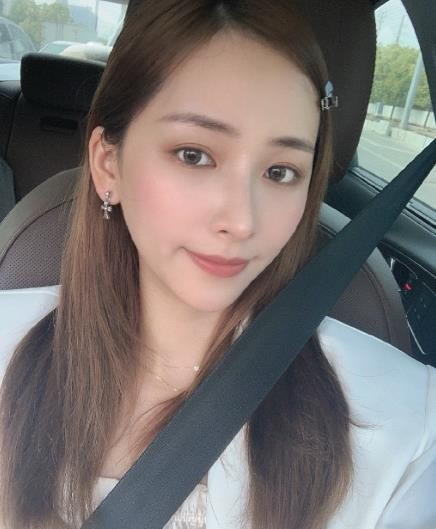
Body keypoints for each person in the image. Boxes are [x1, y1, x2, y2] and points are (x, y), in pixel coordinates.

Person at [0, 1, 435, 528]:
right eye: (194, 155)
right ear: (108, 164)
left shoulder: (408, 428)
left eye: (280, 171)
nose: (242, 221)